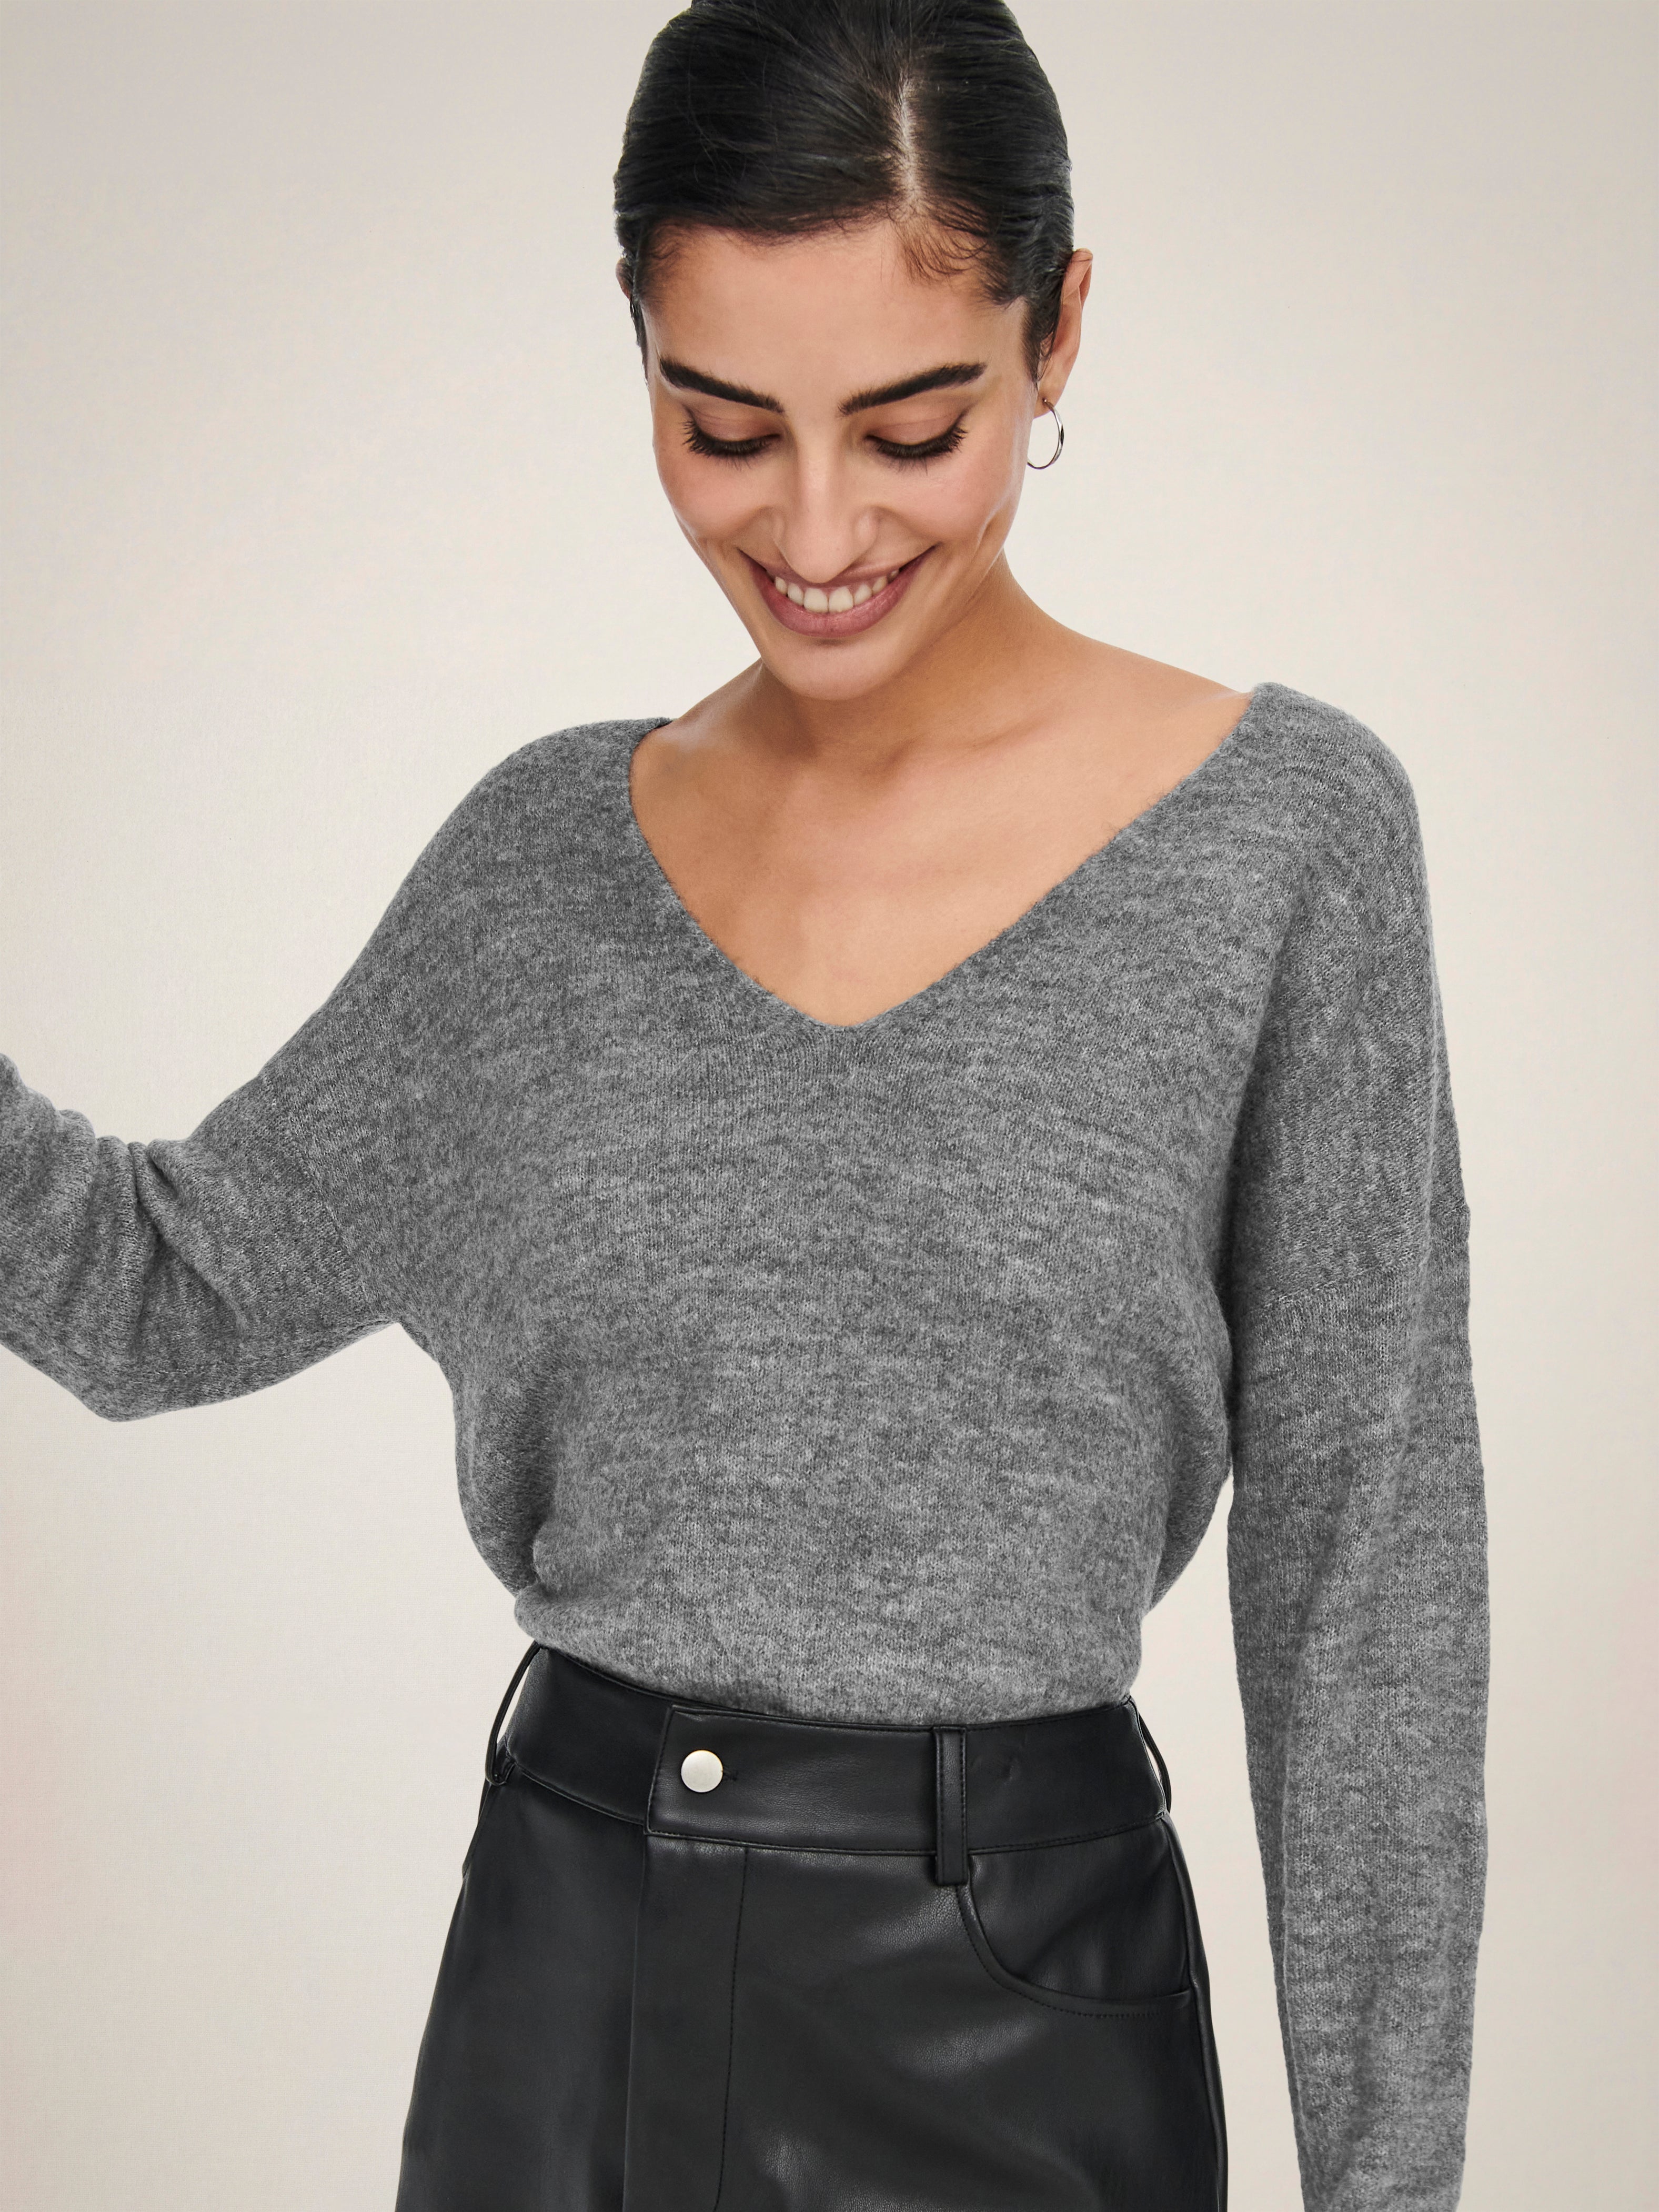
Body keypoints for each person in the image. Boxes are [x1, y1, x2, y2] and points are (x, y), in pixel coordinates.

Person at [0, 3, 1489, 2207]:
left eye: (913, 428)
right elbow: (150, 1294)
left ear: (1059, 328)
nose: (814, 528)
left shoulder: (1285, 845)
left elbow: (1365, 1584)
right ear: (639, 352)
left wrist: (1391, 2186)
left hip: (1022, 2025)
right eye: (721, 426)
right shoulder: (538, 869)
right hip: (565, 1988)